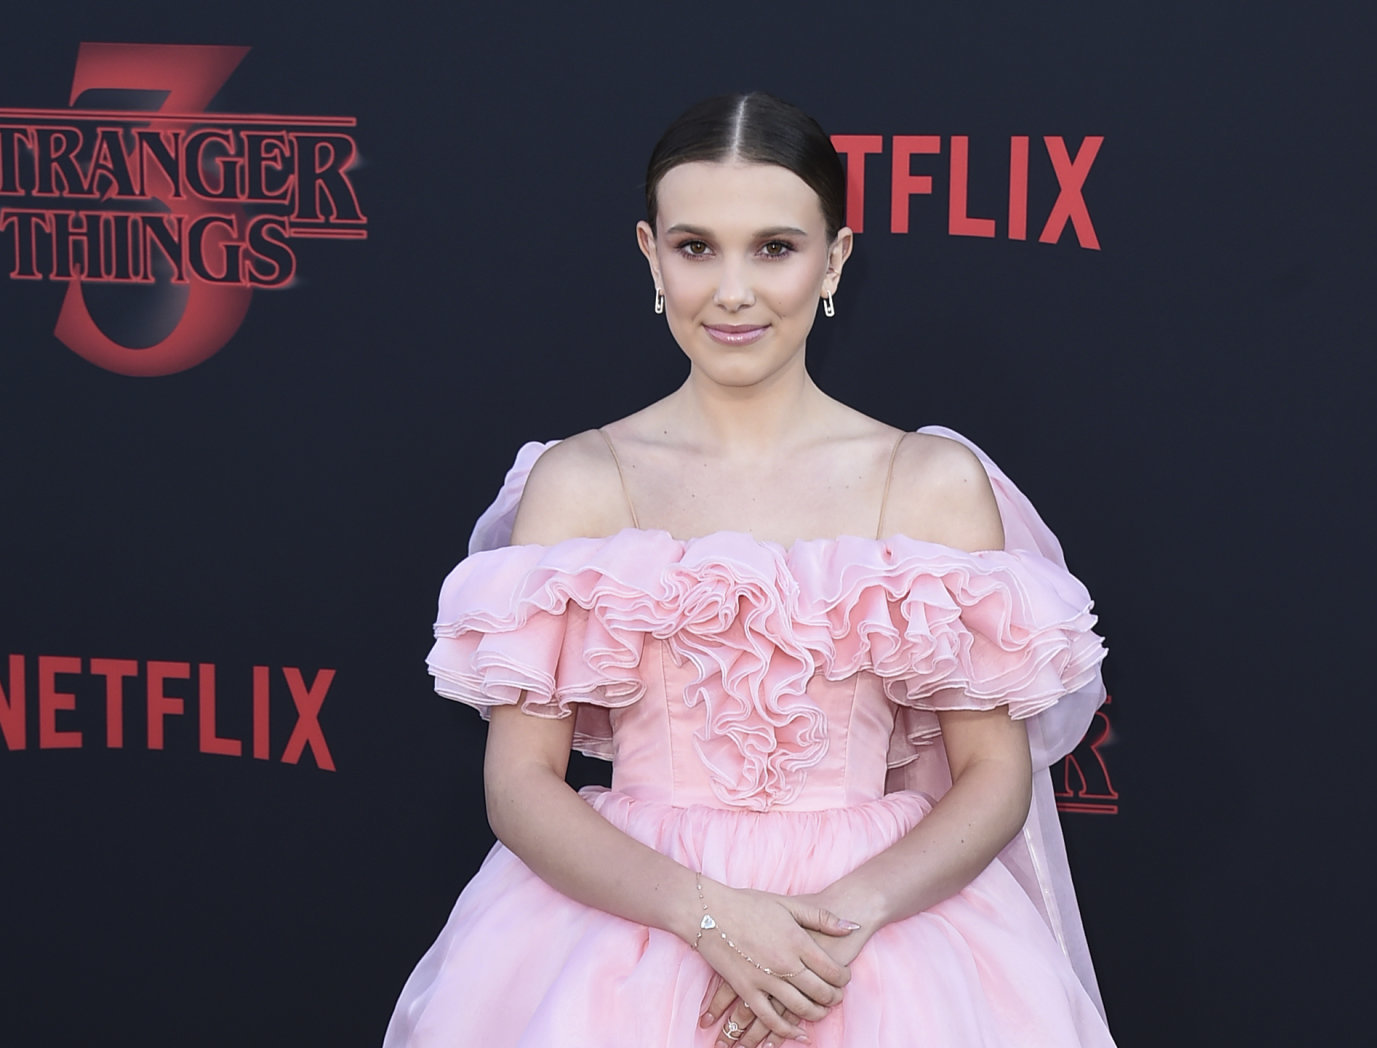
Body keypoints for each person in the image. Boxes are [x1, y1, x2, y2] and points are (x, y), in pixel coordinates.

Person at [384, 91, 1117, 1048]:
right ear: (650, 255)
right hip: (628, 940)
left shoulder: (927, 483)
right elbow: (519, 784)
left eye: (774, 248)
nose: (733, 292)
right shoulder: (582, 482)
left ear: (834, 259)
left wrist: (828, 933)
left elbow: (991, 777)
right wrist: (710, 919)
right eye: (696, 247)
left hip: (879, 947)